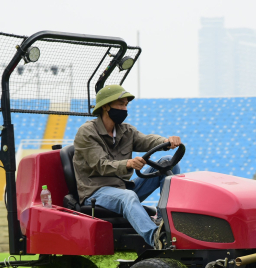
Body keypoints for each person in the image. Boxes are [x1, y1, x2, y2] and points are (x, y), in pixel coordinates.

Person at [72, 84, 181, 249]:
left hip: (123, 188)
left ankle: (162, 217)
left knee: (167, 162)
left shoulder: (125, 131)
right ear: (106, 106)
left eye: (126, 105)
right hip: (96, 191)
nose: (124, 109)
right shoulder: (87, 132)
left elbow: (146, 140)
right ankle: (157, 240)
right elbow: (101, 165)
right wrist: (128, 163)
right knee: (127, 197)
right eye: (120, 104)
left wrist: (165, 142)